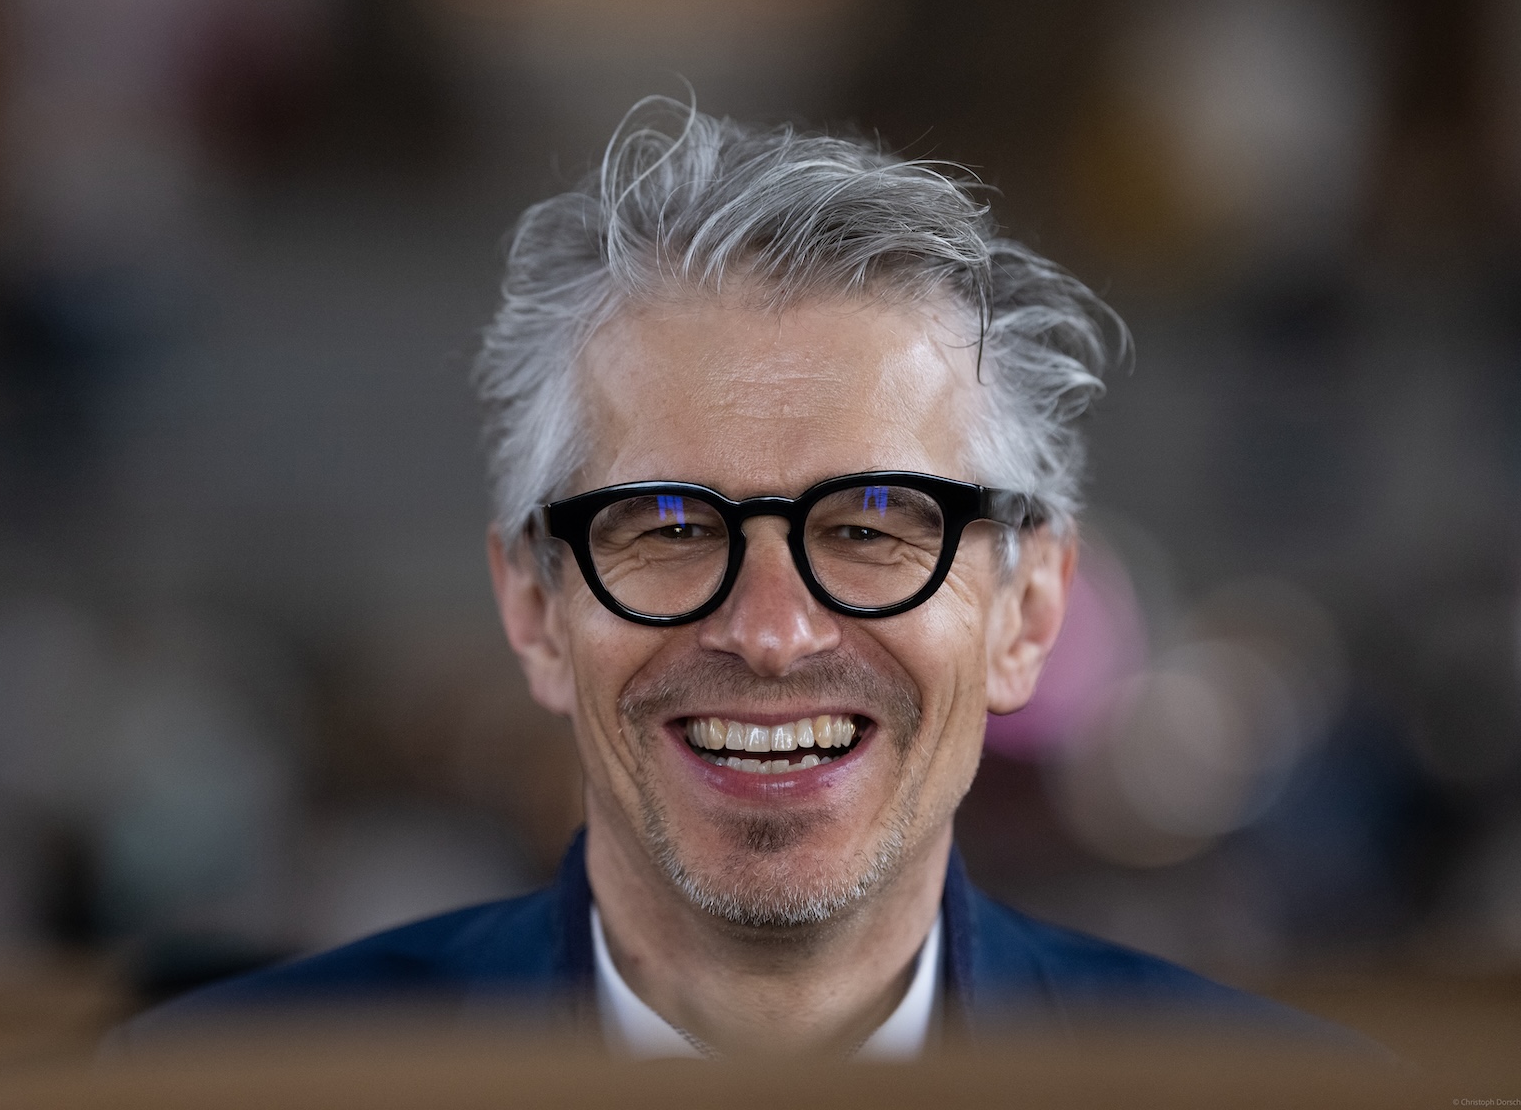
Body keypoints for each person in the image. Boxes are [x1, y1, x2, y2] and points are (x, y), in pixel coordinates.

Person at [130, 98, 1337, 1058]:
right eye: (668, 526)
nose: (772, 630)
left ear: (1028, 613)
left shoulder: (1283, 1101)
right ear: (534, 608)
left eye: (872, 524)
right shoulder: (215, 1091)